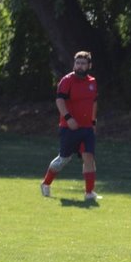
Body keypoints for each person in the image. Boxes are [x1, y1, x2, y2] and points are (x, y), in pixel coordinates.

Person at [39, 51, 100, 200]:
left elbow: (94, 103)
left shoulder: (92, 82)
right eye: (77, 63)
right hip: (69, 127)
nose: (79, 66)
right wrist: (68, 118)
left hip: (86, 128)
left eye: (83, 63)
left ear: (89, 65)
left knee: (89, 158)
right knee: (64, 159)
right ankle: (46, 183)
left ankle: (89, 193)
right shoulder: (67, 81)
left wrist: (93, 122)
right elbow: (59, 100)